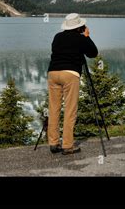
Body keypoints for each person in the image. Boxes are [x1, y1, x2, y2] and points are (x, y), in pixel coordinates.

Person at [47, 13, 98, 155]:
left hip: (53, 73)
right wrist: (87, 37)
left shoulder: (57, 37)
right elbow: (93, 53)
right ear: (79, 27)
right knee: (70, 110)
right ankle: (67, 145)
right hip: (70, 74)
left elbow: (56, 51)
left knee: (54, 108)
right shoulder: (81, 39)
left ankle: (53, 142)